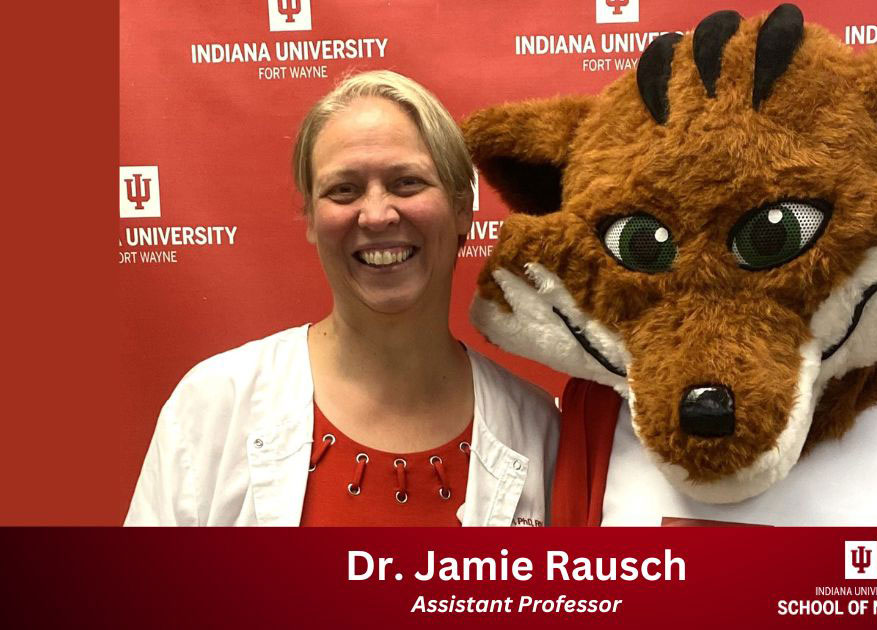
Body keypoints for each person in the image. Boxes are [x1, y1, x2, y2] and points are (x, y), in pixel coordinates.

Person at [126, 70, 559, 526]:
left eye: (407, 182)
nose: (375, 215)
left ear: (460, 209)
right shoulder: (213, 406)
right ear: (311, 217)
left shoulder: (539, 430)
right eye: (343, 190)